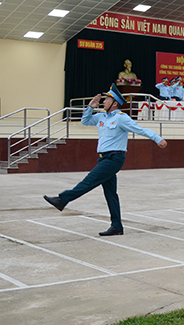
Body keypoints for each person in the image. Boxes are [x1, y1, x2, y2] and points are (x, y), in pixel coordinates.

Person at [43, 83, 167, 236]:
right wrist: (90, 107)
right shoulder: (101, 116)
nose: (103, 101)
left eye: (107, 99)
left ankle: (63, 199)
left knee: (88, 181)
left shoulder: (121, 118)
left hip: (114, 158)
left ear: (114, 103)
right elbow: (85, 121)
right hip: (104, 158)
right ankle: (117, 226)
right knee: (110, 194)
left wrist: (157, 138)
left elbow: (140, 129)